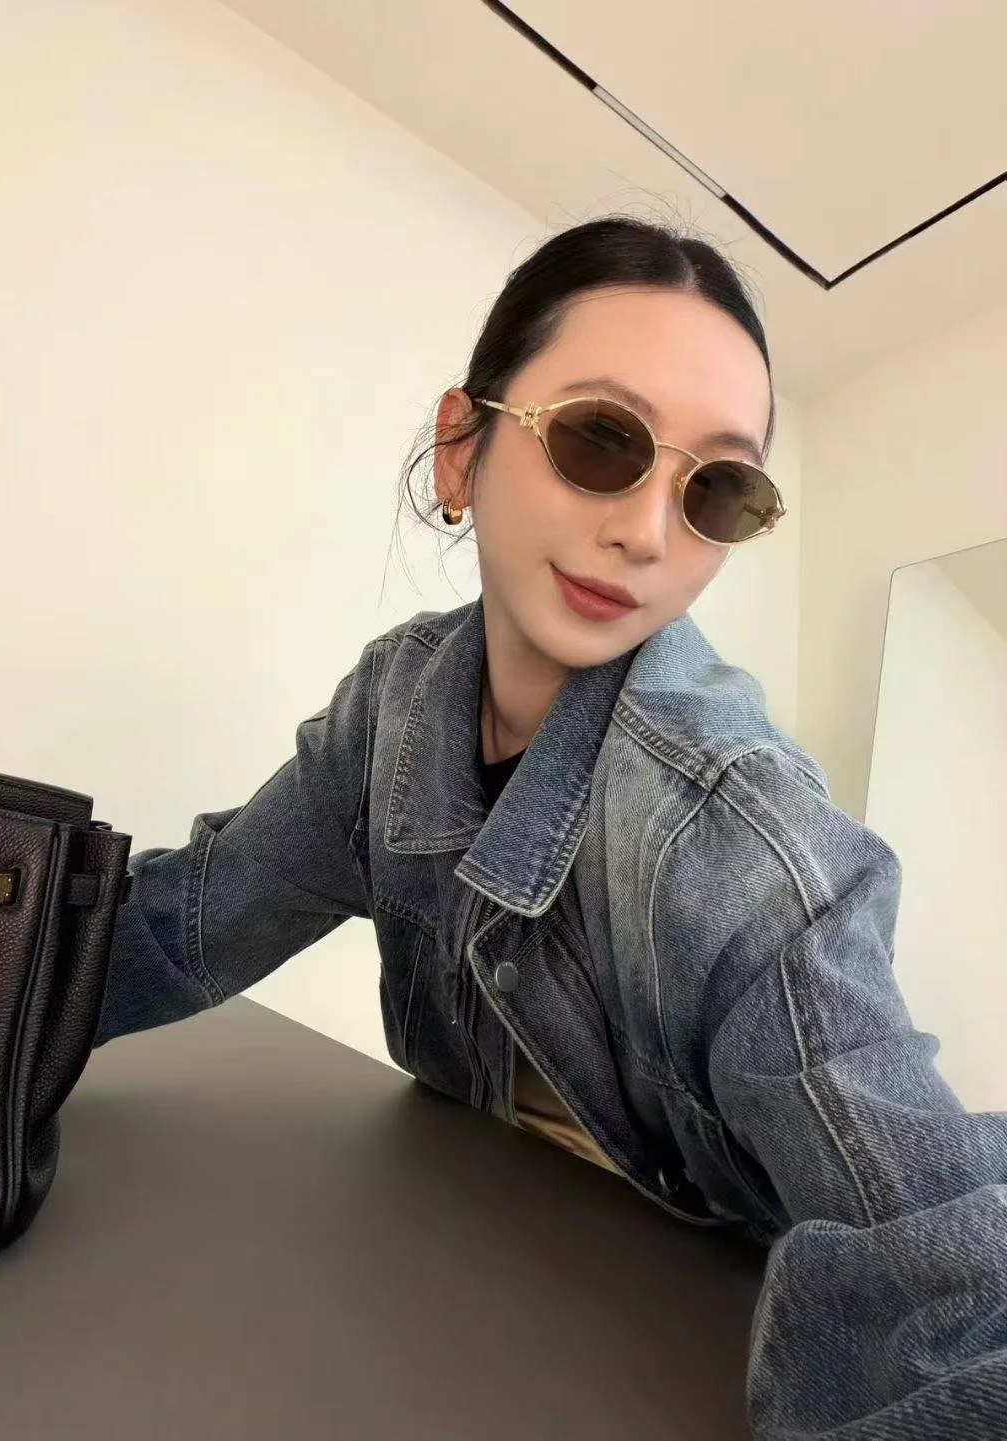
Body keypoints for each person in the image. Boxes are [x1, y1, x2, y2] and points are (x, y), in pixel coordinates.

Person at [95, 217, 1007, 1438]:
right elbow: (182, 928)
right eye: (599, 438)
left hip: (690, 1352)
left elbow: (949, 1281)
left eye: (717, 491)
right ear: (461, 448)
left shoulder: (739, 837)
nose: (648, 532)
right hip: (446, 1269)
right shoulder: (395, 710)